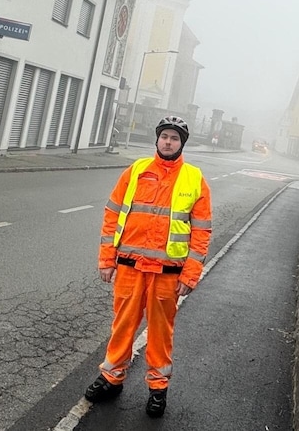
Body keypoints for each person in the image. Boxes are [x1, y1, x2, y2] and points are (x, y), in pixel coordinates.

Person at [84, 116, 213, 418]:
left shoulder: (194, 178)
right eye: (164, 136)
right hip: (130, 268)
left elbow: (202, 231)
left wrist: (190, 275)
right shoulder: (137, 170)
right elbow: (112, 214)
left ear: (182, 144)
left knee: (160, 334)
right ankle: (111, 378)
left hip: (167, 275)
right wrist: (106, 259)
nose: (168, 142)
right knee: (122, 327)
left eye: (174, 138)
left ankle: (157, 389)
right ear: (157, 140)